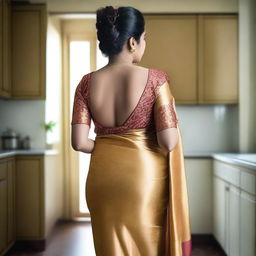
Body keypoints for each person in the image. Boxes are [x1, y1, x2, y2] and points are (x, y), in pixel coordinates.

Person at [71, 5, 192, 256]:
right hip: (143, 180)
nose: (144, 43)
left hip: (101, 180)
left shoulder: (85, 83)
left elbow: (80, 142)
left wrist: (109, 145)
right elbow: (169, 141)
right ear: (132, 42)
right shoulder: (156, 80)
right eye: (144, 38)